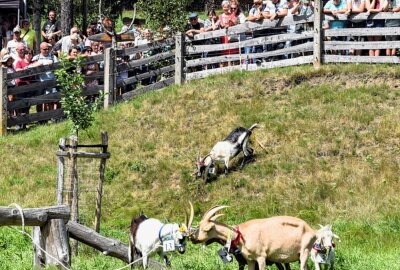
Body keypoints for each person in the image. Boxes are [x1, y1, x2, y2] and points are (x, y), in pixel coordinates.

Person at [32, 42, 58, 112]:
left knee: (50, 100)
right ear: (40, 49)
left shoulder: (53, 57)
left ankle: (51, 115)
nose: (46, 50)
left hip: (51, 81)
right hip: (39, 82)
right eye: (44, 49)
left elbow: (57, 68)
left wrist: (52, 65)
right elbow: (31, 68)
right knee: (39, 101)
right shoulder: (36, 58)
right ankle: (41, 119)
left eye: (48, 49)